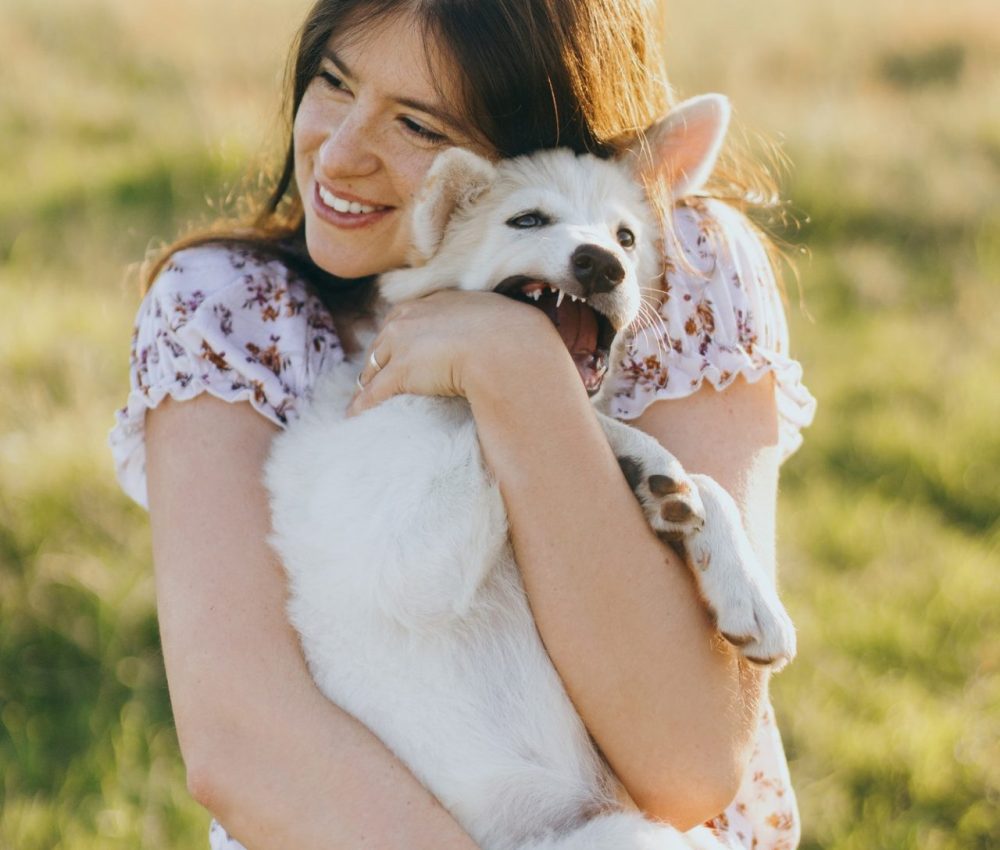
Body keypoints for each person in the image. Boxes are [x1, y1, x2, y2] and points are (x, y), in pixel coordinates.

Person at [108, 0, 817, 848]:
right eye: (333, 81)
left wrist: (518, 375)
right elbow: (248, 742)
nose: (337, 154)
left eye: (417, 124)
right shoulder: (227, 310)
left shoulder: (676, 267)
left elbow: (690, 764)